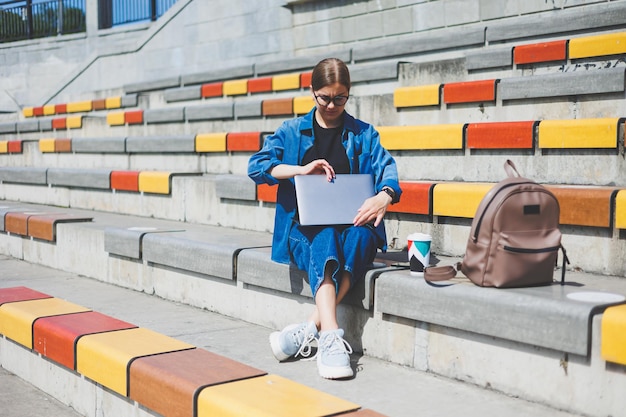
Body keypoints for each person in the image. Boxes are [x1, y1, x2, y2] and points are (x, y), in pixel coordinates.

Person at [248, 58, 401, 379]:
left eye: (340, 98)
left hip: (353, 226)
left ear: (348, 94)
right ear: (312, 92)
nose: (332, 105)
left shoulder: (363, 133)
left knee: (362, 236)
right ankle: (332, 335)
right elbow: (257, 166)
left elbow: (386, 167)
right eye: (325, 98)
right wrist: (300, 170)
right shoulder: (292, 131)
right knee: (326, 236)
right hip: (304, 230)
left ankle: (310, 328)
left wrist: (383, 195)